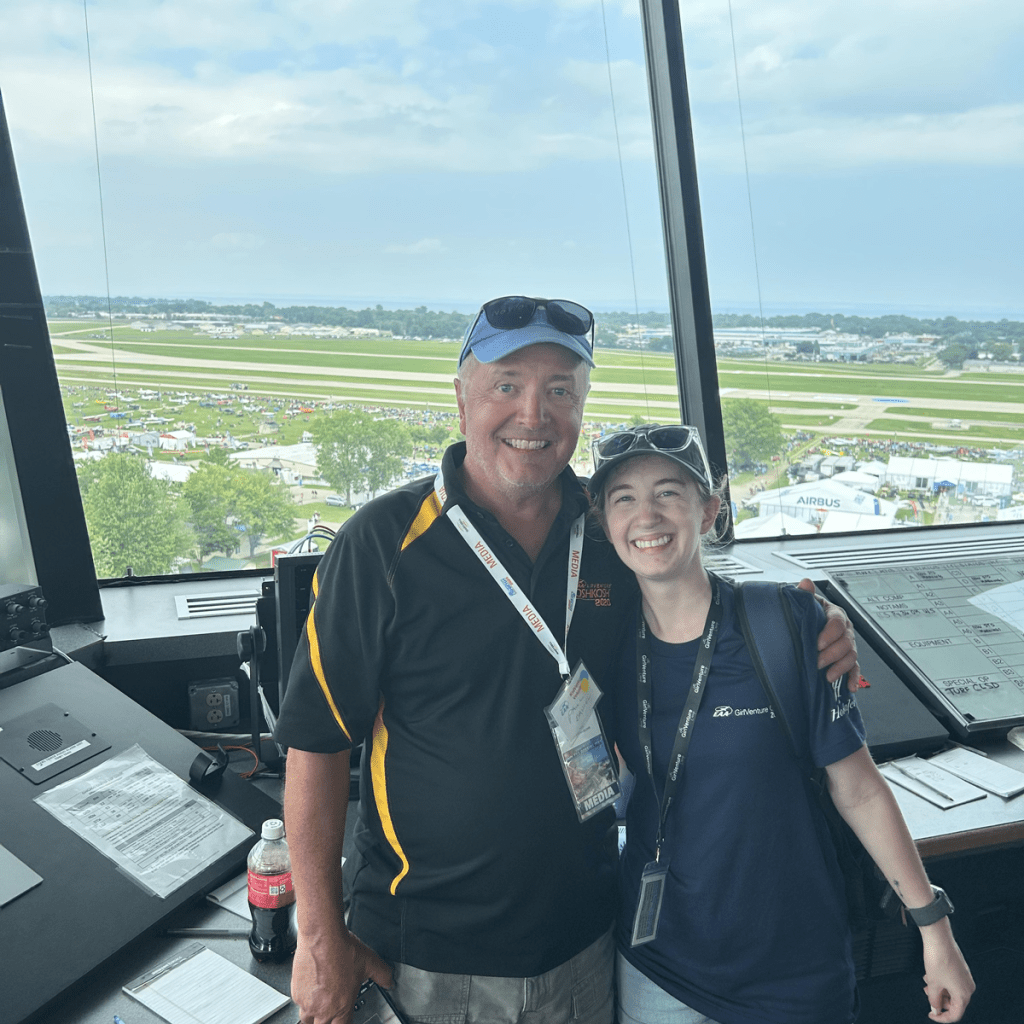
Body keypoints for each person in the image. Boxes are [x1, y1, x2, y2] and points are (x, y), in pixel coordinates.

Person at [273, 297, 860, 1024]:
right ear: (462, 399)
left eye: (560, 391)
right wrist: (319, 937)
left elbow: (693, 595)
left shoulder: (608, 531)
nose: (533, 414)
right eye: (508, 385)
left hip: (586, 939)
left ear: (581, 410)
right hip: (429, 955)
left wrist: (809, 618)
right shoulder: (381, 547)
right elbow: (316, 745)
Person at [587, 424, 975, 1024]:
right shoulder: (604, 642)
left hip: (792, 971)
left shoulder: (786, 624)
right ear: (606, 522)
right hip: (658, 968)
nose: (647, 515)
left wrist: (934, 928)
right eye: (624, 498)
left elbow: (859, 788)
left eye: (669, 493)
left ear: (710, 510)